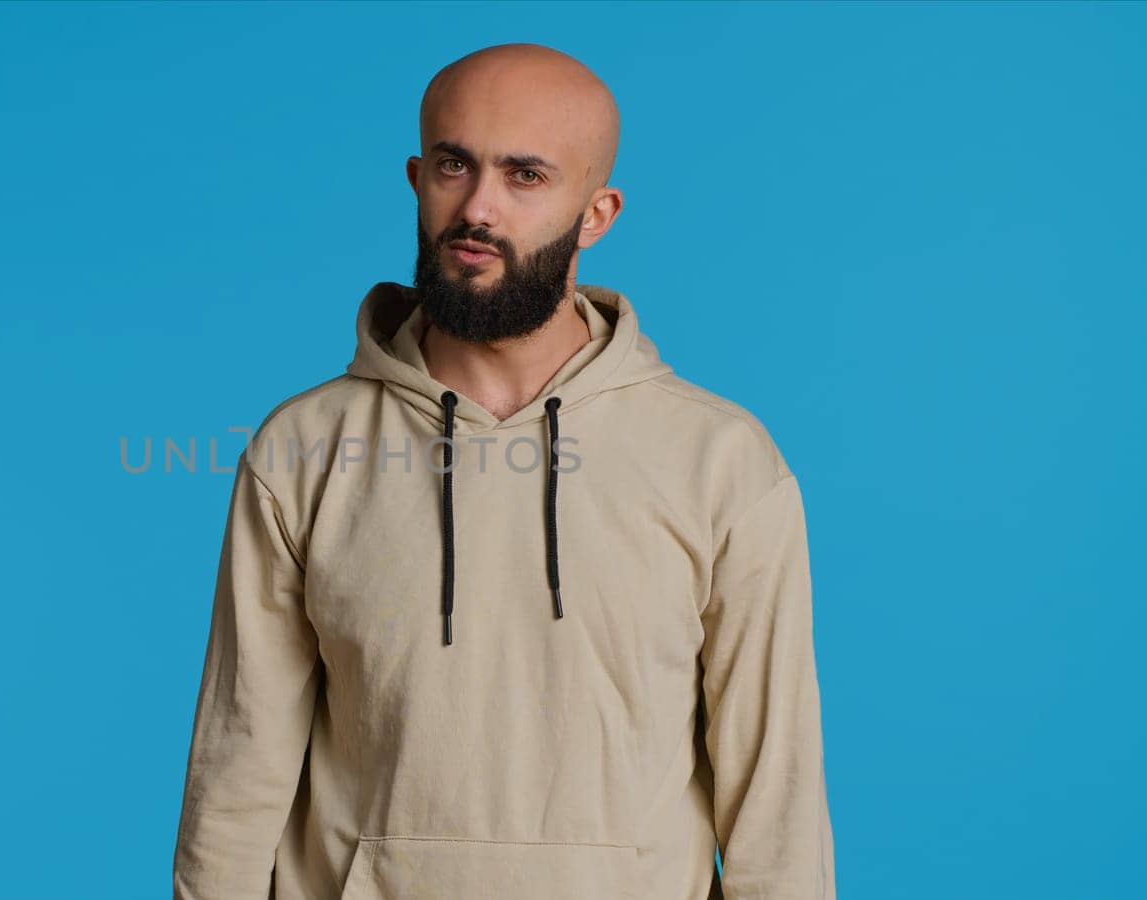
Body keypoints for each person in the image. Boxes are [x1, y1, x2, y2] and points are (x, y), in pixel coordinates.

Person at [171, 42, 836, 900]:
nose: (477, 207)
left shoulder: (720, 459)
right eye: (454, 165)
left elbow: (773, 788)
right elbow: (238, 763)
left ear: (597, 214)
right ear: (417, 177)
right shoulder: (304, 448)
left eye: (526, 176)